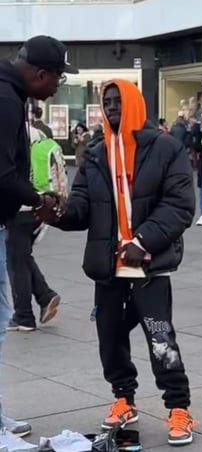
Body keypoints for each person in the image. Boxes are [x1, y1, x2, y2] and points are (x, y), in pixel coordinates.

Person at [48, 80, 198, 446]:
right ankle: (123, 398)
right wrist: (57, 212)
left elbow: (180, 205)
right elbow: (82, 208)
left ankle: (178, 407)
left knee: (160, 336)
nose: (112, 108)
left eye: (118, 101)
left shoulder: (165, 148)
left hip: (149, 264)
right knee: (110, 337)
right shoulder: (96, 154)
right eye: (107, 102)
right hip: (108, 265)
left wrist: (142, 240)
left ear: (133, 103)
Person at [0, 34, 74, 445]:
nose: (57, 86)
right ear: (40, 74)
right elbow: (2, 172)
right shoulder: (7, 100)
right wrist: (38, 200)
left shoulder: (10, 94)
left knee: (3, 314)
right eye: (59, 78)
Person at [6, 124, 61, 332]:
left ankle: (23, 316)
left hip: (19, 207)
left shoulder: (10, 130)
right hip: (39, 205)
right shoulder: (35, 132)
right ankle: (45, 296)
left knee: (16, 263)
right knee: (23, 257)